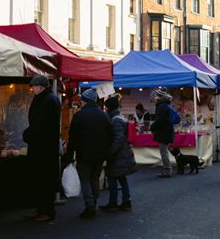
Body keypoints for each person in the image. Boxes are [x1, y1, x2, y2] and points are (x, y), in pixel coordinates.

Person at [63, 88, 112, 219]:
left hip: (83, 154)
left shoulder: (79, 116)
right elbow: (110, 136)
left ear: (85, 101)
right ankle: (93, 202)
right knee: (95, 179)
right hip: (100, 154)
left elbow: (72, 137)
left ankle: (89, 205)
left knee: (85, 179)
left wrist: (69, 155)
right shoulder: (103, 115)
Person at [23, 75, 61, 222]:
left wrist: (28, 134)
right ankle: (41, 209)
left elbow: (41, 124)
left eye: (34, 87)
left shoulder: (49, 100)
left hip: (44, 147)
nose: (32, 89)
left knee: (45, 180)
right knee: (41, 179)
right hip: (41, 146)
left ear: (41, 86)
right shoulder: (46, 98)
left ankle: (46, 211)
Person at [101, 95, 136, 212]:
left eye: (106, 107)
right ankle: (126, 201)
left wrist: (110, 153)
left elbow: (118, 139)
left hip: (118, 155)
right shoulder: (119, 117)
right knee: (121, 178)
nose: (105, 109)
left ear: (109, 108)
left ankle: (114, 202)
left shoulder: (115, 120)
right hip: (122, 153)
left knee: (113, 178)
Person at [150, 88, 175, 178]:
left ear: (158, 97)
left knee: (163, 151)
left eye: (155, 96)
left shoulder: (161, 106)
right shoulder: (165, 105)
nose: (154, 98)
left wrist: (152, 127)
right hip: (166, 131)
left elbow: (160, 120)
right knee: (164, 151)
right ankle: (167, 169)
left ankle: (167, 170)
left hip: (164, 132)